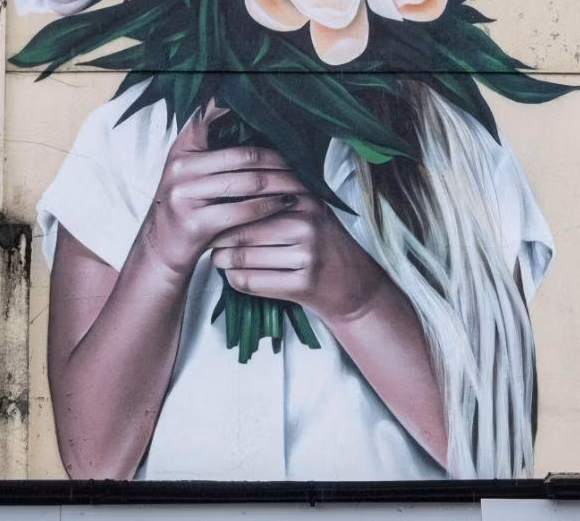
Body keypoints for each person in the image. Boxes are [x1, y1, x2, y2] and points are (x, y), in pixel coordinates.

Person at [41, 77, 553, 480]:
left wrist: (361, 300)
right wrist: (160, 256)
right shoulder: (132, 134)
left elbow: (500, 453)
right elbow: (93, 462)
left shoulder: (457, 148)